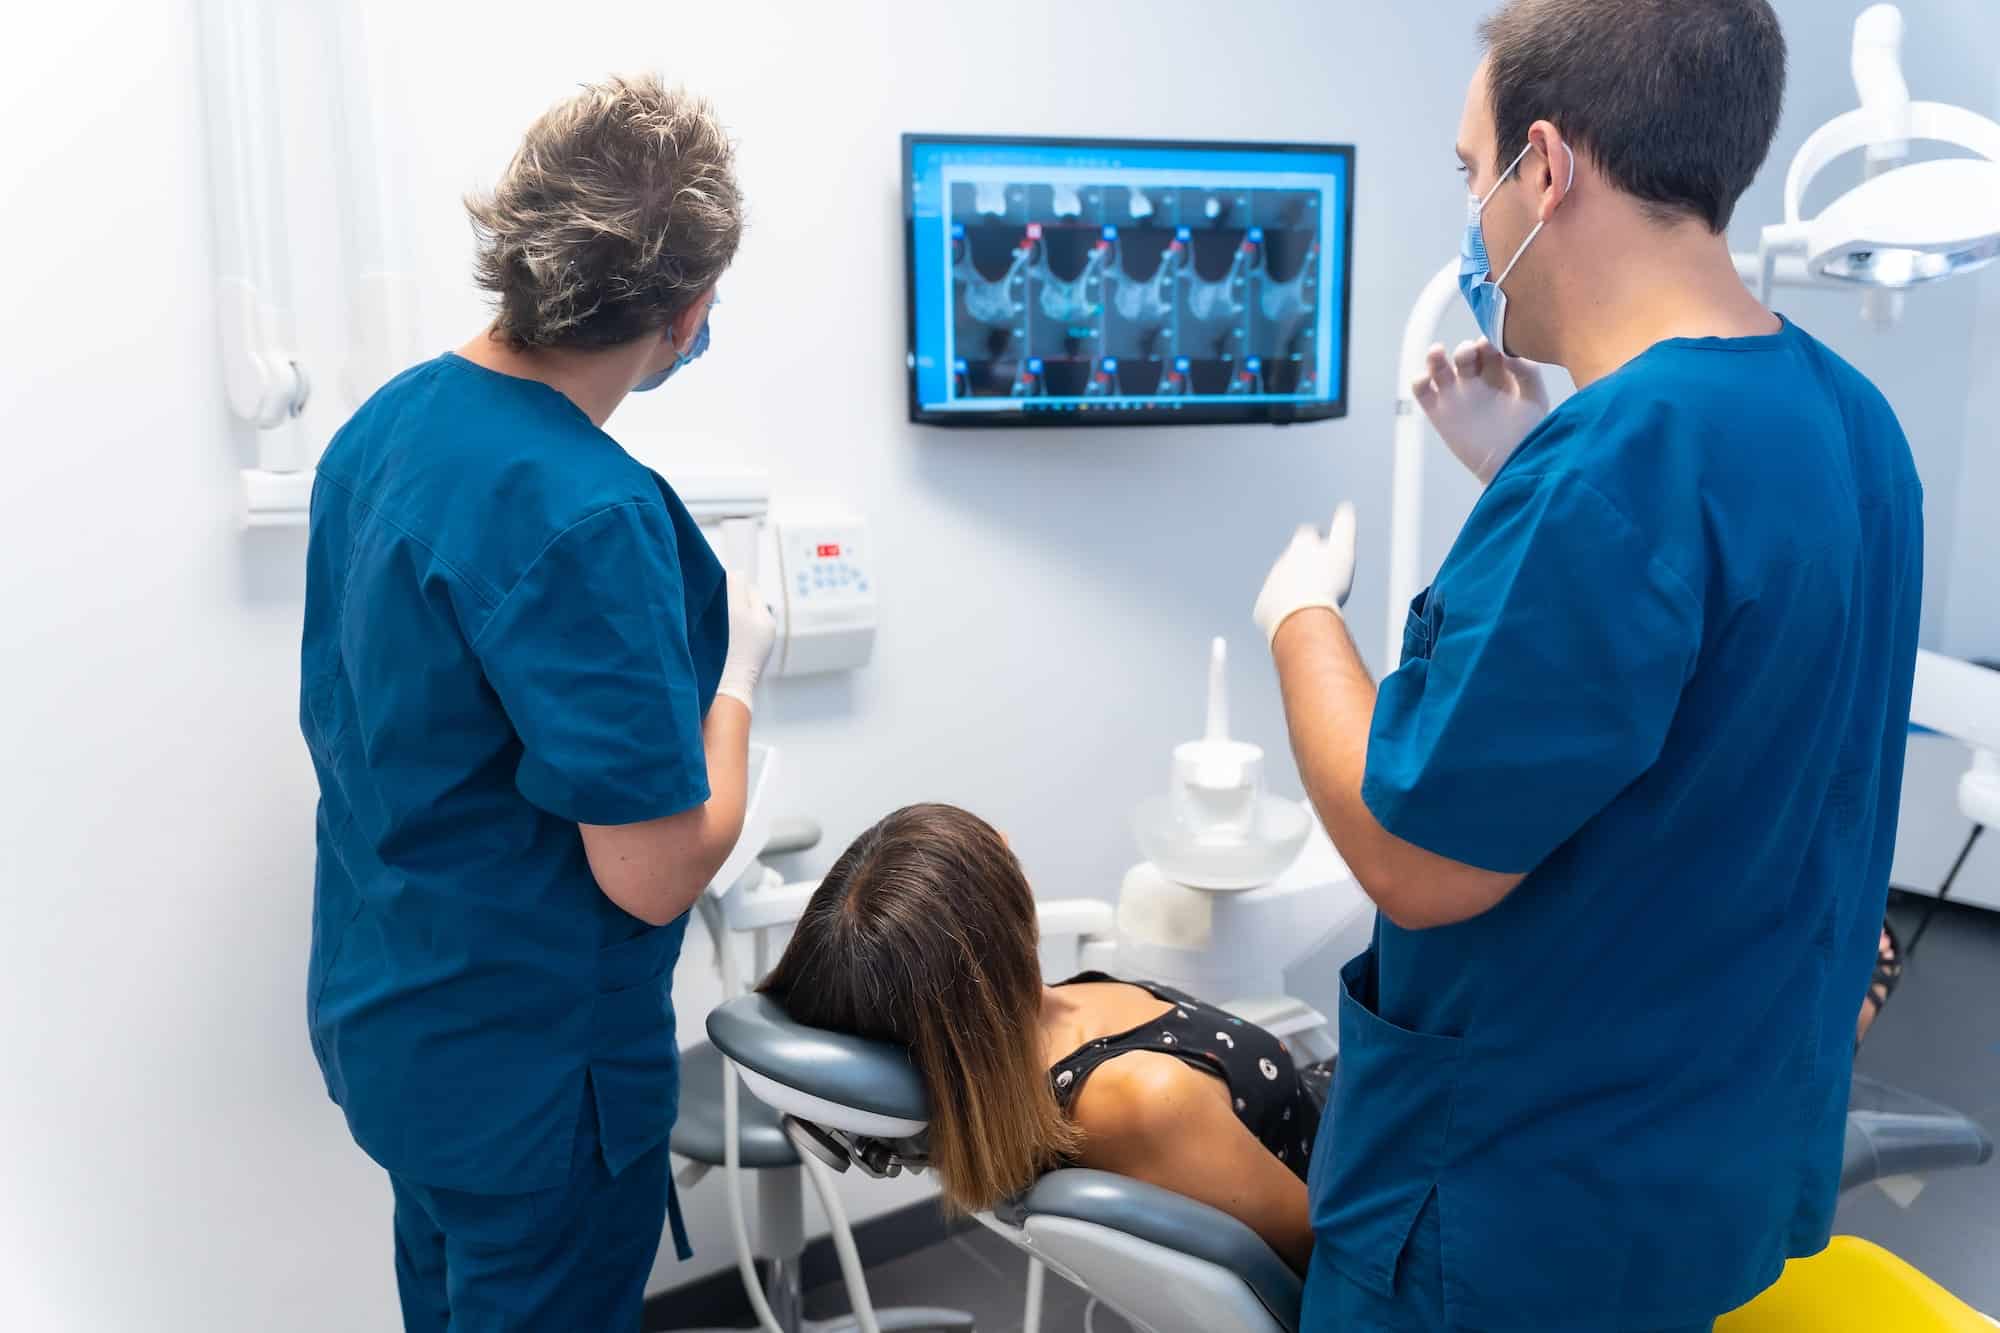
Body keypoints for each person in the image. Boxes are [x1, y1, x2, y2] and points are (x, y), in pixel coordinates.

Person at [1251, 2, 1923, 1329]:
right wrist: (1531, 463)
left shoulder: (1613, 476)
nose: (1475, 211)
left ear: (1545, 168)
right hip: (1698, 1173)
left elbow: (1412, 853)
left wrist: (1300, 621)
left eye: (1470, 171)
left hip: (1517, 1216)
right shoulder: (1853, 425)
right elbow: (1722, 713)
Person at [298, 76, 774, 1331]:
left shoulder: (386, 426)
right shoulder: (587, 511)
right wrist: (734, 689)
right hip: (531, 1088)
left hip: (402, 1028)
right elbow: (655, 871)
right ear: (685, 311)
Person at [760, 803, 1333, 1272]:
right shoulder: (1138, 1095)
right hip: (1366, 1178)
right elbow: (1330, 1253)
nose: (1015, 850)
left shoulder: (1005, 1041)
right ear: (993, 952)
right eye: (1002, 864)